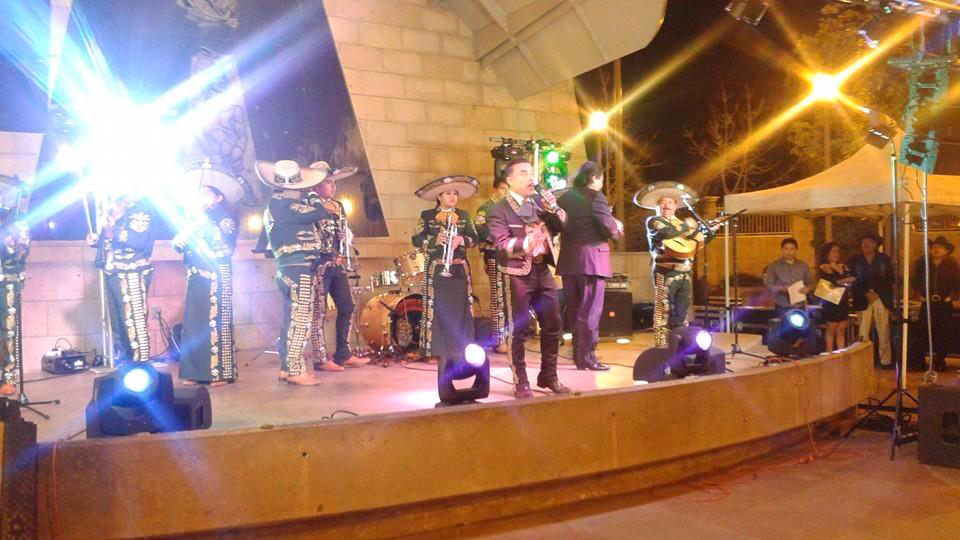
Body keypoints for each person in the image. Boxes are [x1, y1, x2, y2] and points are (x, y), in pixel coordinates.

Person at [485, 159, 570, 398]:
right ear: (509, 180)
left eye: (532, 173)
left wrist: (554, 207)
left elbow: (562, 224)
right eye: (523, 173)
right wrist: (527, 243)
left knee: (553, 324)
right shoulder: (499, 209)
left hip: (542, 269)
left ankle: (549, 375)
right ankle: (520, 380)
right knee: (519, 329)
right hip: (516, 274)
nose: (530, 178)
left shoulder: (539, 203)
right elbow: (502, 245)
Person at [257, 159, 341, 386]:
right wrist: (319, 203)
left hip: (292, 268)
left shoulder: (279, 205)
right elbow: (313, 213)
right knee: (301, 320)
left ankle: (287, 367)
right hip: (297, 269)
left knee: (291, 320)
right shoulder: (283, 205)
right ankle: (295, 370)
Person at [411, 175, 480, 404]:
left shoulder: (464, 216)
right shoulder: (427, 216)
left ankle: (463, 349)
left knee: (462, 310)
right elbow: (416, 239)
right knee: (439, 311)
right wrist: (434, 240)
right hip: (438, 269)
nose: (452, 197)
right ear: (439, 196)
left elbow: (475, 238)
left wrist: (462, 240)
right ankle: (440, 350)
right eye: (448, 193)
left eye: (455, 193)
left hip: (459, 269)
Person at [174, 172, 244, 387]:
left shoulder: (226, 218)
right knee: (194, 323)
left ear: (219, 197)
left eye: (207, 194)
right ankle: (194, 372)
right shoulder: (195, 218)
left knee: (215, 321)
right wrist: (189, 229)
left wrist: (202, 223)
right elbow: (178, 245)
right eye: (201, 194)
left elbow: (221, 245)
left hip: (216, 273)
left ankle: (219, 372)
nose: (202, 198)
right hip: (196, 275)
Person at [556, 161, 623, 370]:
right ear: (594, 178)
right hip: (592, 261)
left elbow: (557, 224)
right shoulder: (596, 197)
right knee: (590, 311)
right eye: (601, 179)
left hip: (569, 261)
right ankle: (588, 357)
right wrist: (617, 228)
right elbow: (607, 225)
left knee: (575, 310)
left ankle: (579, 356)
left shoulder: (564, 198)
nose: (601, 184)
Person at [636, 181, 718, 347]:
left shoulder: (680, 225)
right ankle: (661, 345)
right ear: (657, 206)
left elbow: (698, 241)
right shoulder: (654, 221)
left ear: (675, 206)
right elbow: (667, 232)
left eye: (670, 202)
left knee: (682, 310)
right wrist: (687, 225)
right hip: (664, 271)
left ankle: (680, 342)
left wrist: (712, 231)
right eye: (663, 202)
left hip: (685, 272)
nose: (667, 205)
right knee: (663, 308)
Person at [304, 163, 368, 372]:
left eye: (333, 182)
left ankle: (343, 353)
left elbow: (345, 230)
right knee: (319, 312)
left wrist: (346, 236)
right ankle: (320, 358)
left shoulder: (338, 205)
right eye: (328, 182)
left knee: (347, 306)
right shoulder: (308, 204)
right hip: (318, 265)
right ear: (316, 185)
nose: (333, 186)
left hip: (338, 264)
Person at [87, 192, 157, 364]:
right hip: (113, 271)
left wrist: (112, 231)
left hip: (132, 271)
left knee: (134, 320)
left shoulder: (140, 210)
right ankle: (125, 364)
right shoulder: (113, 211)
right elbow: (111, 241)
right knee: (118, 324)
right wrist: (97, 241)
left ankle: (141, 363)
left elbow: (138, 241)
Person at [910, 236, 960, 372]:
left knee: (942, 332)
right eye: (934, 247)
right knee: (923, 332)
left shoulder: (952, 265)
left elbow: (957, 282)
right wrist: (919, 295)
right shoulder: (922, 263)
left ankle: (940, 361)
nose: (936, 249)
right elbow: (915, 280)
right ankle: (920, 361)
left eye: (940, 247)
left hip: (944, 304)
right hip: (927, 302)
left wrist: (950, 297)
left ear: (946, 251)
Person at [0, 177, 29, 396]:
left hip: (6, 282)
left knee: (7, 330)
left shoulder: (16, 221)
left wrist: (9, 244)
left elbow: (21, 252)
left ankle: (7, 376)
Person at [474, 175, 510, 354]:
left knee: (510, 298)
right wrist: (502, 237)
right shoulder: (486, 208)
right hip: (494, 255)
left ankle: (510, 337)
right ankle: (498, 339)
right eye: (503, 189)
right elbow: (481, 230)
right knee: (498, 297)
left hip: (512, 256)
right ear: (495, 189)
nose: (506, 192)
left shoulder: (512, 207)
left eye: (509, 189)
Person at [848, 233, 894, 368]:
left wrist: (877, 293)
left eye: (869, 242)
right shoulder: (855, 260)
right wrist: (865, 292)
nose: (866, 244)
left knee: (883, 330)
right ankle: (863, 361)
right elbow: (852, 279)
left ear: (875, 244)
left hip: (881, 297)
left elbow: (890, 279)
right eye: (863, 242)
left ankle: (885, 361)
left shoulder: (885, 259)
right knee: (863, 331)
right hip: (862, 298)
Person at [817, 242, 855, 352]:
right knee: (831, 330)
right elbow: (834, 281)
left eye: (838, 251)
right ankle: (829, 353)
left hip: (843, 299)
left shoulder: (843, 266)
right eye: (834, 251)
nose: (836, 254)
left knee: (841, 329)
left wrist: (842, 279)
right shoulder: (825, 266)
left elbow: (852, 278)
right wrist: (842, 280)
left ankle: (841, 353)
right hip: (831, 300)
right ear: (827, 253)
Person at [764, 238, 815, 319]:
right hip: (782, 305)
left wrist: (807, 289)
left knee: (800, 326)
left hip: (800, 305)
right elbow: (768, 284)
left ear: (796, 250)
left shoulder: (803, 266)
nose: (789, 252)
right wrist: (781, 288)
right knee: (783, 326)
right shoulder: (774, 266)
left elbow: (811, 283)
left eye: (792, 249)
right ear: (782, 250)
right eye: (786, 249)